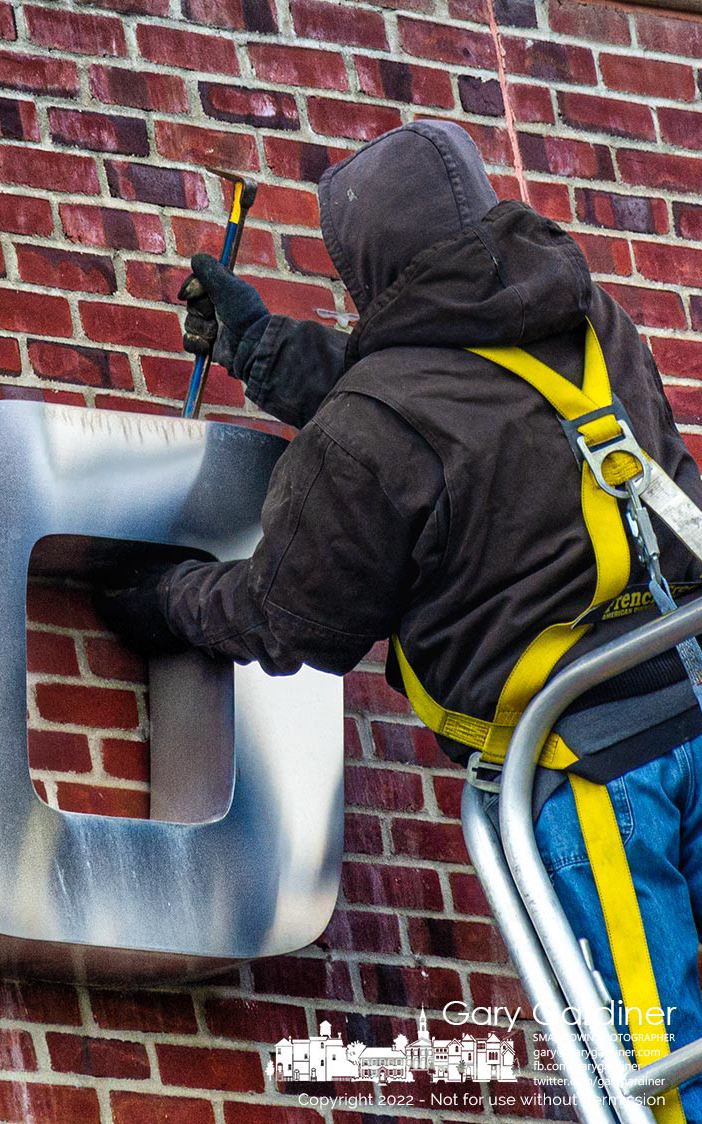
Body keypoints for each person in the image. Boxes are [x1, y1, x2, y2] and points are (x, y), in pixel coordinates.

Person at [95, 119, 702, 1120]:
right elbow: (460, 413)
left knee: (659, 1071)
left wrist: (167, 602)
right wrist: (266, 350)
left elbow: (293, 612)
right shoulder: (589, 320)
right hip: (688, 694)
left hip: (595, 774)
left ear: (369, 268)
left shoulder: (376, 423)